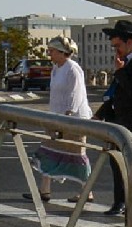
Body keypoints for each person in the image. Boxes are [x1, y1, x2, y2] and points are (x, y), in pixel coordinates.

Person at [93, 20, 132, 217]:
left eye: (118, 46)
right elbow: (115, 94)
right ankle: (119, 201)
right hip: (118, 119)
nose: (116, 50)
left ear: (129, 42)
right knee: (116, 161)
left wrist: (120, 71)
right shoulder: (123, 62)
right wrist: (99, 114)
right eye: (114, 47)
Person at [34, 37, 91, 198]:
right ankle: (44, 189)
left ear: (61, 52)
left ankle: (87, 191)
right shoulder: (56, 68)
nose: (49, 54)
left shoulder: (73, 69)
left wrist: (69, 113)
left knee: (77, 154)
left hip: (73, 119)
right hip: (56, 117)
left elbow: (76, 93)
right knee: (48, 150)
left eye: (52, 51)